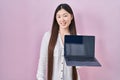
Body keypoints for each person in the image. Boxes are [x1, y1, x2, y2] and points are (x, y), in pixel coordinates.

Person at [36, 3, 80, 80]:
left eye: (65, 15)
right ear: (56, 19)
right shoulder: (48, 36)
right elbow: (42, 62)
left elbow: (78, 67)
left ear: (71, 17)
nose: (62, 19)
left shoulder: (77, 38)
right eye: (59, 16)